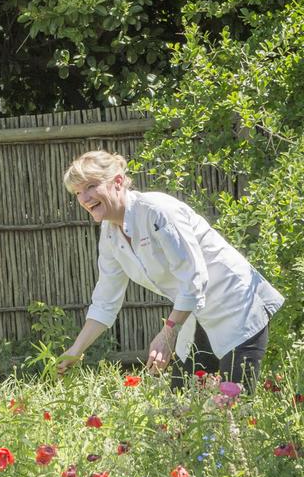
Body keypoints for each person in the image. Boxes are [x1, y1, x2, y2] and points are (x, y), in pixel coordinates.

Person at [58, 150, 283, 389]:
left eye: (91, 186)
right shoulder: (110, 234)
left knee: (233, 401)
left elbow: (194, 278)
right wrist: (75, 351)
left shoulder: (157, 210)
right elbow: (105, 301)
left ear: (118, 182)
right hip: (196, 313)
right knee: (183, 399)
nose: (85, 198)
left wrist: (168, 333)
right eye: (78, 192)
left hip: (237, 305)